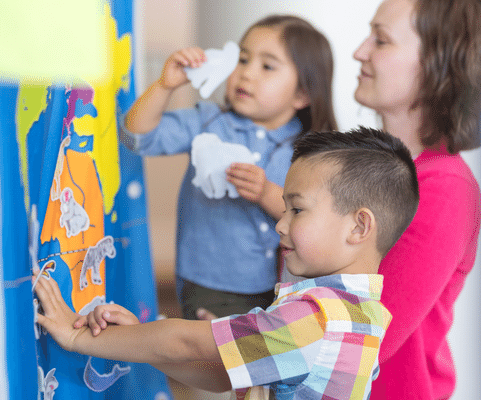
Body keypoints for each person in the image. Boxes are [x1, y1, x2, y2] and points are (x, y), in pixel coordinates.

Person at [33, 127, 420, 400]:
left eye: (297, 210)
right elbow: (221, 373)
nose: (280, 224)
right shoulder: (361, 316)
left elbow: (186, 343)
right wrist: (138, 336)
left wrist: (78, 336)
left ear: (359, 226)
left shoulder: (316, 322)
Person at [121, 14, 337, 320]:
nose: (246, 74)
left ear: (302, 93)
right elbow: (137, 137)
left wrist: (265, 193)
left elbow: (317, 220)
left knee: (253, 363)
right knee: (211, 359)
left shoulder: (309, 151)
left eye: (267, 66)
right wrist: (164, 86)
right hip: (208, 283)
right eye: (243, 59)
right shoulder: (207, 121)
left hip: (281, 286)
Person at [351, 0, 481, 398]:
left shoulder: (446, 189)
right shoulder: (351, 167)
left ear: (437, 65)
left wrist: (209, 347)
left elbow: (363, 341)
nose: (359, 51)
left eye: (381, 40)